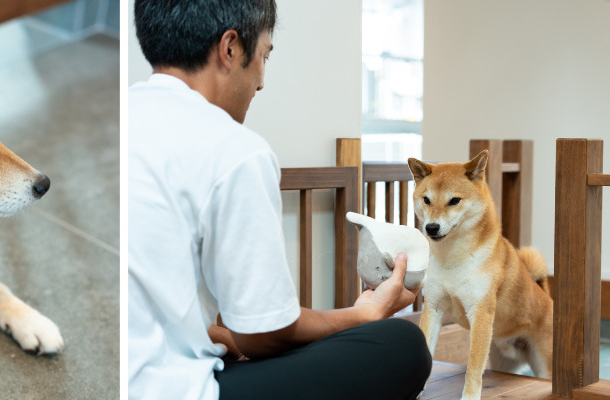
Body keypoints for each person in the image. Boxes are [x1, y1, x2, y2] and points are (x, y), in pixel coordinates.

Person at [127, 1, 432, 399]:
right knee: (402, 345)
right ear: (230, 48)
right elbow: (262, 335)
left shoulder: (124, 113)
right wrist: (366, 313)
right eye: (264, 57)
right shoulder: (234, 150)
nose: (260, 83)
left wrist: (218, 336)